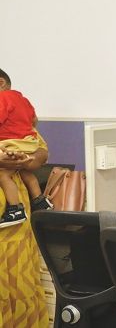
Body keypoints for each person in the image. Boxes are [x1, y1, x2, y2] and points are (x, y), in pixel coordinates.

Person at [0, 142, 49, 326]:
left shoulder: (17, 127)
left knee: (21, 285)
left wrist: (25, 159)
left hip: (17, 224)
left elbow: (42, 154)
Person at [0, 69, 52, 227]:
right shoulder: (22, 99)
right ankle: (40, 201)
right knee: (24, 172)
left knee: (4, 174)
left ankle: (15, 209)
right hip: (28, 141)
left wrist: (26, 160)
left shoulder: (3, 98)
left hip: (13, 144)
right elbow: (34, 120)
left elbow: (42, 156)